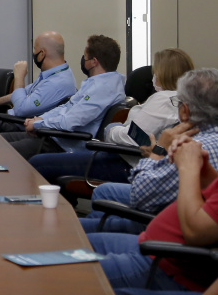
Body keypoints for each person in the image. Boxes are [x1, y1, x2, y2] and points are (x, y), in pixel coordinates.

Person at [30, 48, 194, 185]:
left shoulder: (162, 101)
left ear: (164, 73)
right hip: (142, 162)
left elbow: (133, 137)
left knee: (38, 163)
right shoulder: (188, 100)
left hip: (126, 164)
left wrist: (111, 129)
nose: (153, 75)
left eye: (156, 71)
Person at [82, 68, 218, 234]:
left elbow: (139, 195)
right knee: (104, 192)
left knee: (83, 224)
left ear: (185, 111)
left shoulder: (193, 147)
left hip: (162, 226)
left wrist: (157, 151)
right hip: (182, 211)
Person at [87, 133, 218, 295]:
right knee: (76, 242)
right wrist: (205, 171)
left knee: (70, 272)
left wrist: (188, 168)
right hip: (151, 242)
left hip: (169, 264)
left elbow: (196, 231)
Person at [0, 34, 125, 160]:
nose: (82, 59)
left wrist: (39, 124)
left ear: (94, 62)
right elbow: (66, 106)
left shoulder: (103, 89)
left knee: (0, 152)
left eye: (85, 56)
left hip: (65, 145)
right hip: (54, 136)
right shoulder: (96, 82)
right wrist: (40, 119)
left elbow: (70, 121)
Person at [0, 31, 77, 120]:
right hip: (12, 119)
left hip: (18, 124)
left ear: (42, 54)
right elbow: (26, 92)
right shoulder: (56, 72)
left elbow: (20, 110)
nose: (34, 53)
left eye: (35, 49)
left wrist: (19, 77)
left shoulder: (57, 83)